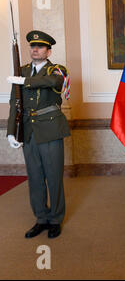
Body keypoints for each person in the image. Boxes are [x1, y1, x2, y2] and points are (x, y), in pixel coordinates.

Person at [6, 30, 70, 239]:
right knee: (34, 178)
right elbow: (14, 104)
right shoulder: (22, 70)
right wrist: (10, 132)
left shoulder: (57, 70)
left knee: (53, 178)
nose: (35, 49)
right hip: (29, 130)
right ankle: (41, 218)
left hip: (50, 130)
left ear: (48, 50)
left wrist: (24, 82)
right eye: (33, 46)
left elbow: (53, 83)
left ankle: (55, 219)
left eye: (40, 46)